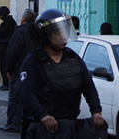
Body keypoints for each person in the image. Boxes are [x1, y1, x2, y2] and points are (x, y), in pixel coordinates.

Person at [21, 9, 105, 137]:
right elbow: (27, 94)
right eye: (57, 33)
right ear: (45, 35)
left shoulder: (73, 58)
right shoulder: (33, 61)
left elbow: (88, 86)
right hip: (44, 128)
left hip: (70, 126)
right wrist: (43, 115)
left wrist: (96, 111)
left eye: (64, 31)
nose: (62, 36)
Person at [0, 8, 39, 133]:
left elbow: (12, 52)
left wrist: (8, 69)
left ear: (23, 19)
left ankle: (13, 122)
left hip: (19, 70)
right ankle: (25, 121)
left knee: (15, 98)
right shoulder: (38, 32)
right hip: (34, 70)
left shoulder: (20, 32)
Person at [0, 6, 17, 91]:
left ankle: (6, 83)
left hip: (5, 46)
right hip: (5, 45)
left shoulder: (8, 23)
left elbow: (3, 33)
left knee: (4, 65)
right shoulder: (9, 22)